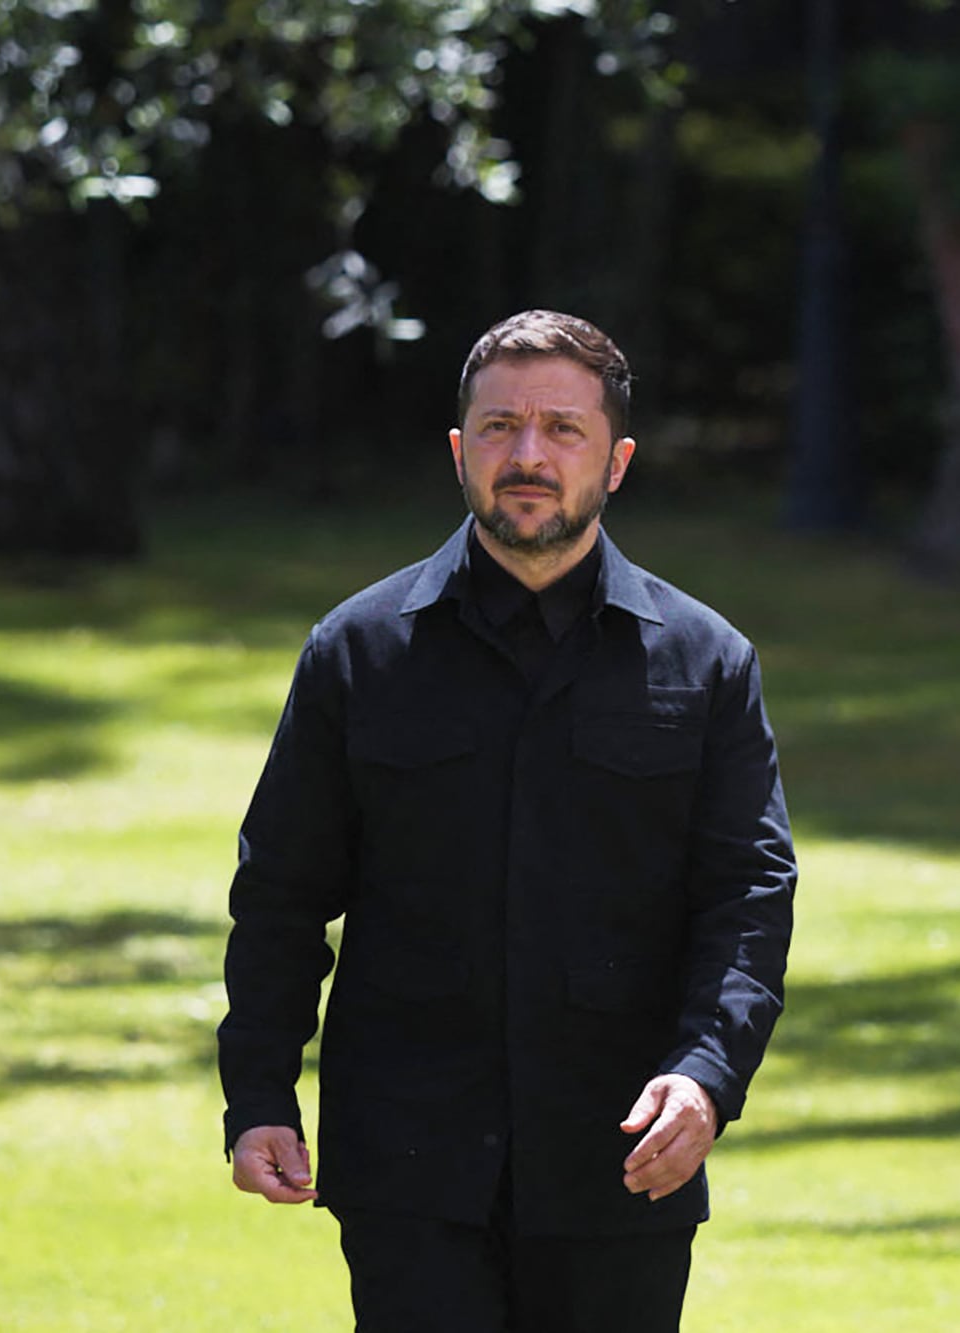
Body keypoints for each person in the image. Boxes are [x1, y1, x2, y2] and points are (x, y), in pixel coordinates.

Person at [218, 310, 796, 1332]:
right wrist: (259, 1091)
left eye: (563, 429)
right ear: (459, 451)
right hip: (408, 1165)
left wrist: (707, 1074)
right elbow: (281, 893)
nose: (528, 454)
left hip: (621, 1158)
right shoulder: (356, 653)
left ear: (615, 462)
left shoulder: (707, 663)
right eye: (499, 427)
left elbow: (747, 899)